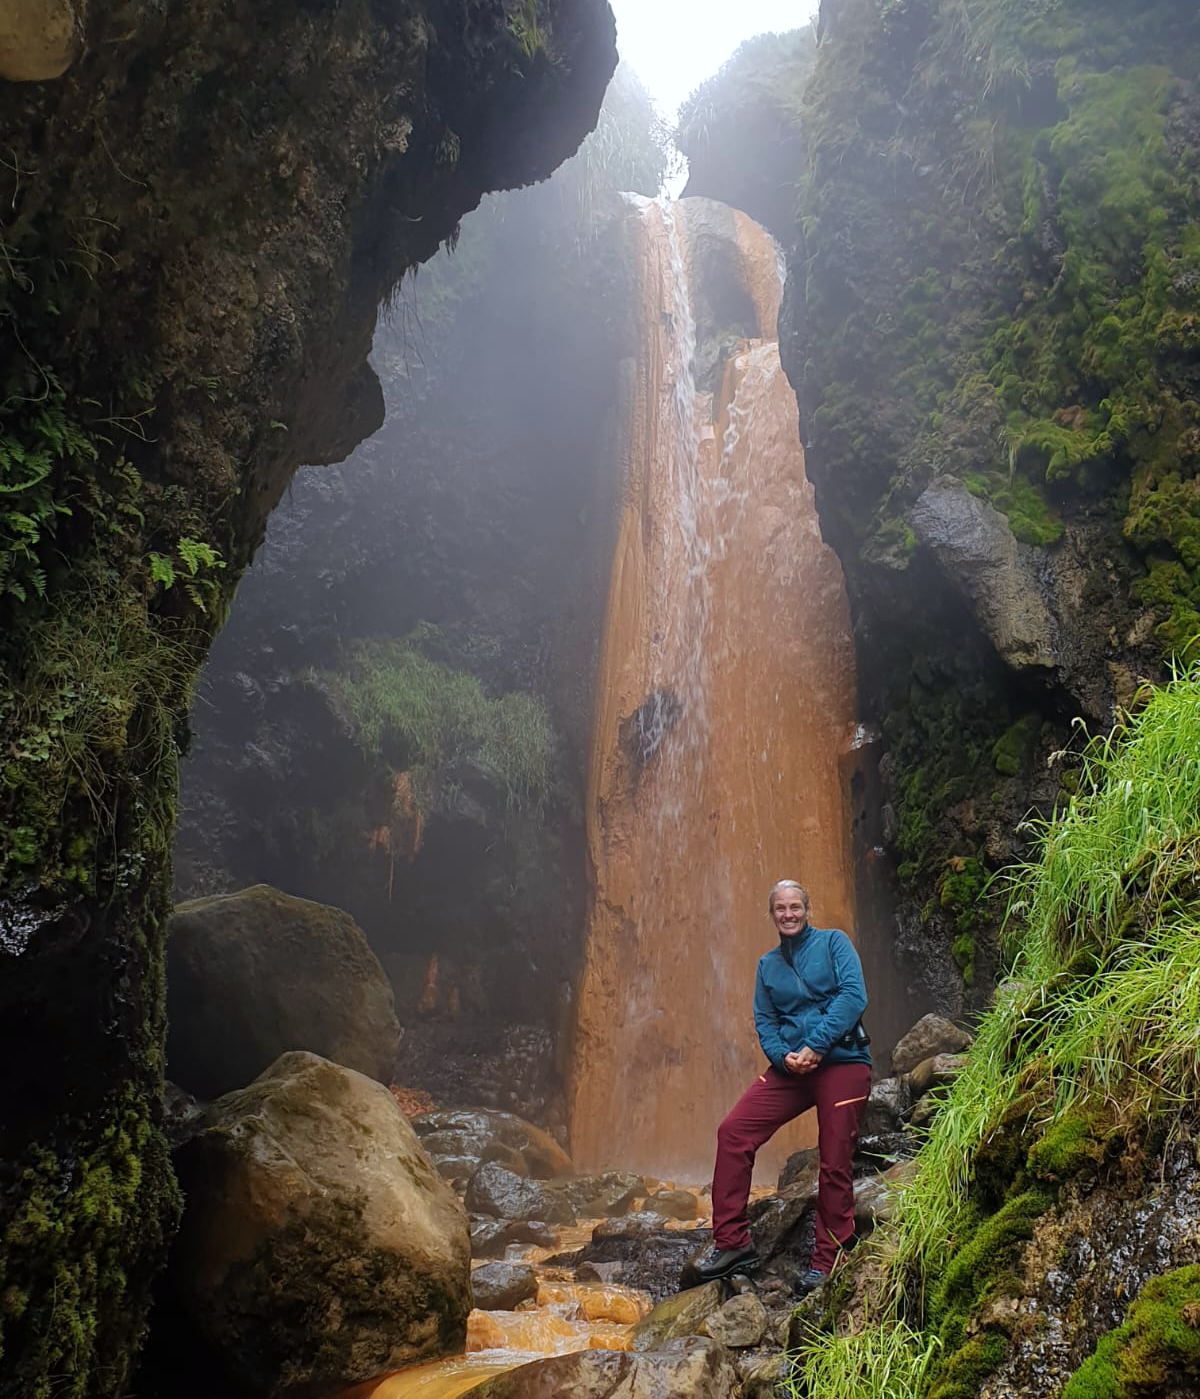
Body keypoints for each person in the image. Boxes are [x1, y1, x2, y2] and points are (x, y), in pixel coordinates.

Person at [693, 880, 871, 1293]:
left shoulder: (833, 944)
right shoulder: (767, 965)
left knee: (834, 1158)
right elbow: (765, 1021)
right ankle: (732, 1242)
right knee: (733, 1132)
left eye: (795, 907)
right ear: (771, 914)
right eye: (780, 909)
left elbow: (853, 996)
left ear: (807, 909)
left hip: (842, 1061)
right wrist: (782, 1057)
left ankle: (830, 1257)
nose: (788, 914)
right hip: (792, 1069)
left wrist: (816, 1045)